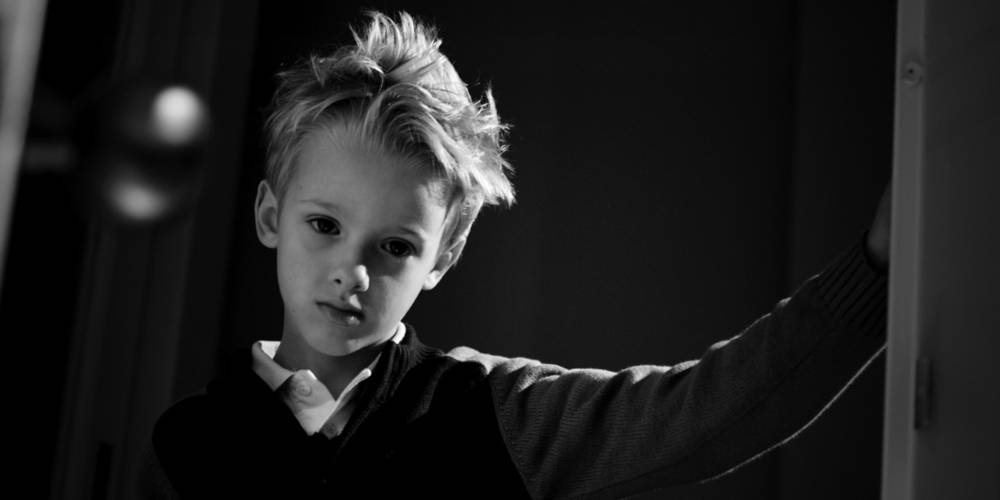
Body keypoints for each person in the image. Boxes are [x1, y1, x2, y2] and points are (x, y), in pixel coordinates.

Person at [147, 11, 891, 499]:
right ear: (270, 216)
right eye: (324, 225)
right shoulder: (186, 445)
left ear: (444, 257)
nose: (355, 271)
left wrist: (879, 269)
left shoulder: (492, 412)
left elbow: (704, 415)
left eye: (397, 245)